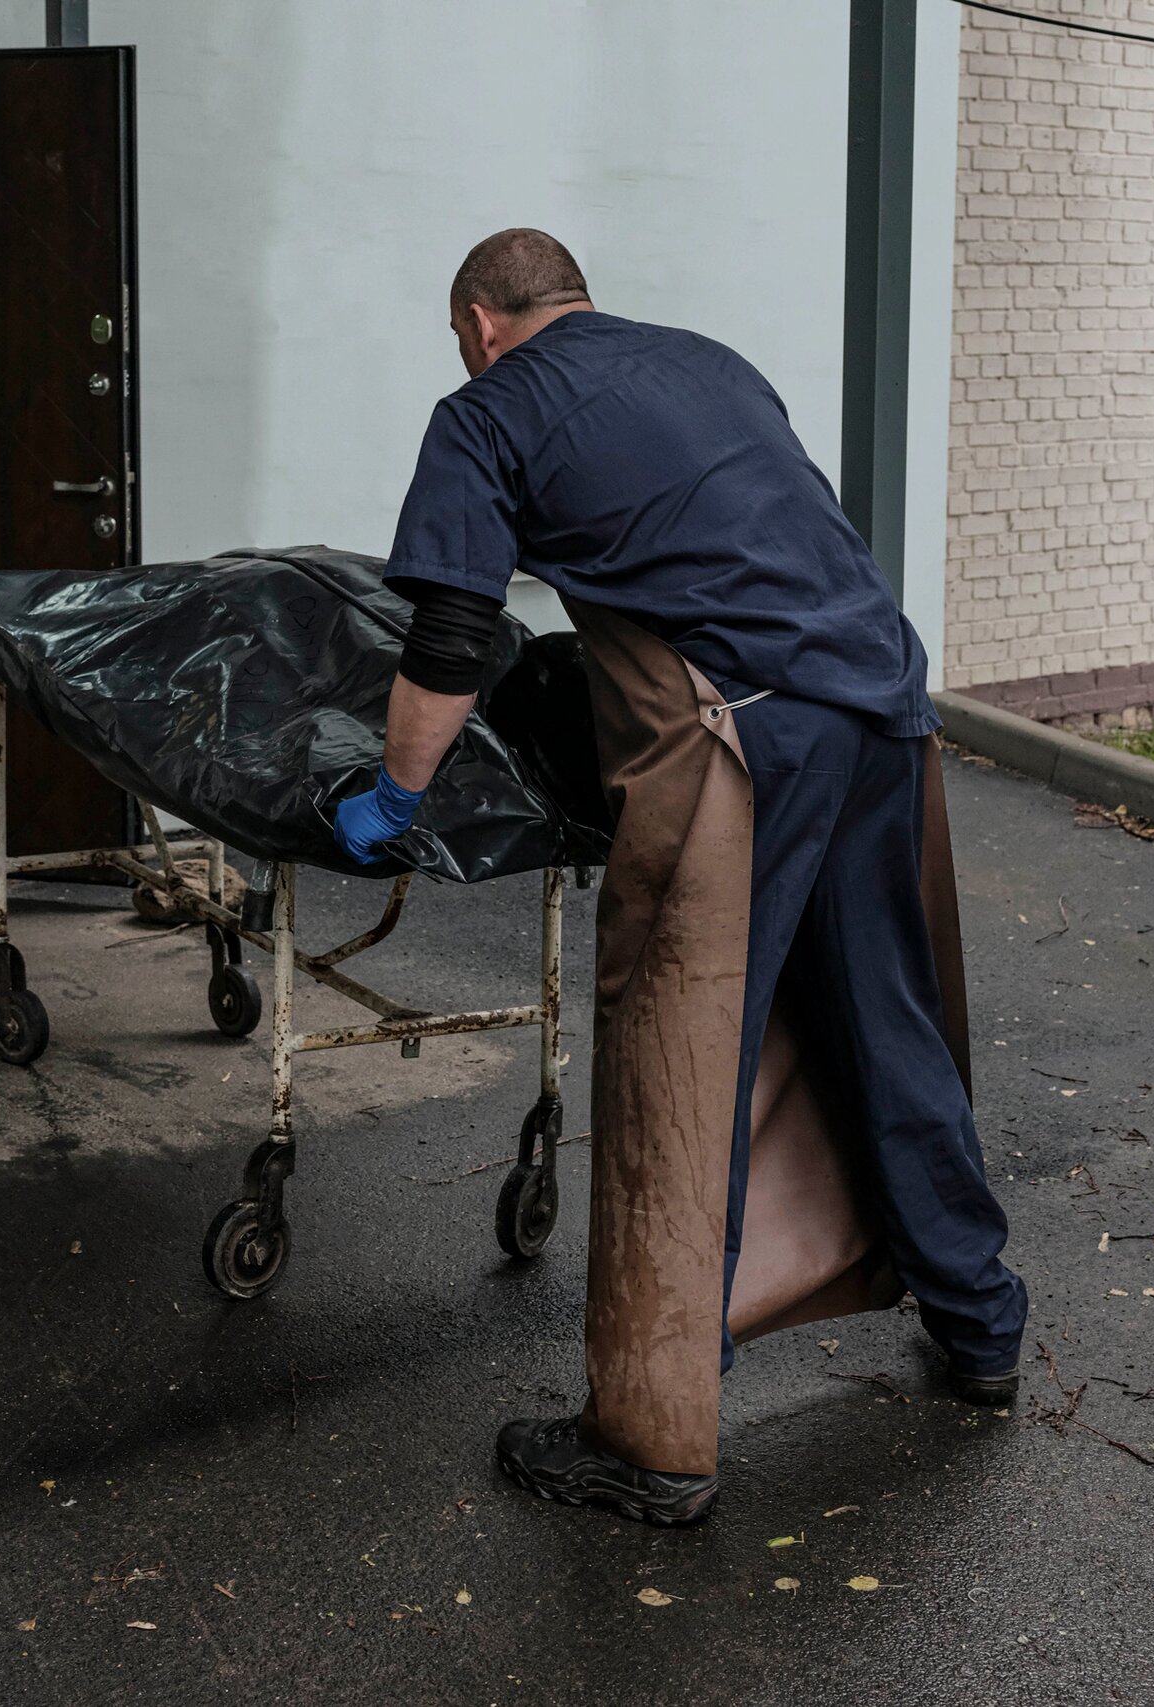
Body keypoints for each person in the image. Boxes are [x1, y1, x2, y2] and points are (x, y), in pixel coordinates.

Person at [334, 228, 1028, 1527]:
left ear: (481, 321)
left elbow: (451, 628)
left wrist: (396, 797)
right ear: (577, 300)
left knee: (680, 1056)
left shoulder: (487, 411)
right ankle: (981, 1321)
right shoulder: (706, 364)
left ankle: (649, 1437)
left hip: (752, 741)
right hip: (882, 705)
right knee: (886, 1018)